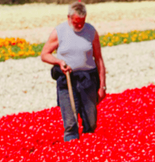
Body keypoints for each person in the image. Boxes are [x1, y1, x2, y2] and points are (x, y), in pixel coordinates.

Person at [41, 1, 106, 141]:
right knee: (70, 123)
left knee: (91, 120)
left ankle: (90, 149)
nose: (80, 25)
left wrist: (102, 86)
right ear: (69, 17)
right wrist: (59, 62)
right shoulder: (59, 32)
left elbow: (99, 59)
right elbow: (44, 55)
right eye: (76, 22)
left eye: (82, 22)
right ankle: (72, 151)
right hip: (67, 79)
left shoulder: (91, 31)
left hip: (88, 79)